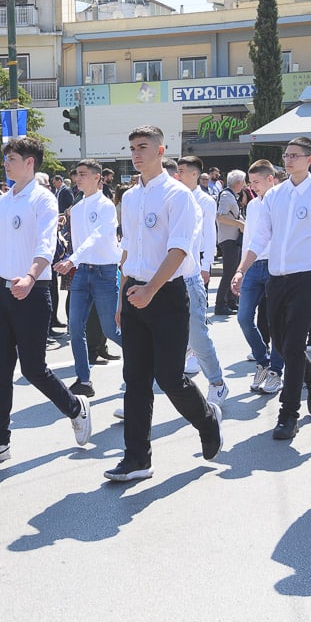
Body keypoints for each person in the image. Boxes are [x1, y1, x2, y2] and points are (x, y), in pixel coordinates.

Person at [0, 136, 91, 467]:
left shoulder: (43, 199)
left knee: (33, 369)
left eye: (12, 159)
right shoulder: (0, 203)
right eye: (6, 159)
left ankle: (75, 407)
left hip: (33, 292)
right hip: (3, 292)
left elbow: (46, 245)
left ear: (30, 163)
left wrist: (31, 277)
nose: (6, 164)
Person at [105, 125, 222, 482]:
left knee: (170, 377)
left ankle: (207, 420)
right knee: (135, 380)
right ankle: (137, 459)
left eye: (143, 147)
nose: (136, 154)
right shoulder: (130, 197)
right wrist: (123, 299)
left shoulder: (178, 195)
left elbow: (179, 250)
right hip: (134, 292)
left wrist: (150, 291)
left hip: (167, 294)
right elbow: (128, 251)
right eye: (132, 148)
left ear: (160, 150)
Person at [231, 136, 311, 442]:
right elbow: (260, 237)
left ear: (310, 159)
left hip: (309, 277)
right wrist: (241, 269)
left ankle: (289, 414)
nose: (288, 160)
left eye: (295, 155)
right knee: (282, 343)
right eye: (286, 155)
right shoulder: (274, 196)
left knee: (294, 342)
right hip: (277, 277)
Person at [55, 159, 122, 396]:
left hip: (104, 272)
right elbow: (77, 242)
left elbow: (98, 236)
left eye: (83, 174)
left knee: (111, 330)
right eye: (77, 174)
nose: (78, 178)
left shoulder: (106, 206)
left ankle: (148, 359)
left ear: (97, 177)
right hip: (83, 271)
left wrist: (72, 259)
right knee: (75, 328)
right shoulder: (76, 208)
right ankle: (83, 380)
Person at [174, 155, 228, 410]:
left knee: (198, 335)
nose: (178, 175)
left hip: (191, 272)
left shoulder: (203, 200)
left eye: (182, 171)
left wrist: (206, 266)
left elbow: (208, 234)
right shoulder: (174, 197)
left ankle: (217, 383)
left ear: (195, 174)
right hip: (170, 276)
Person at [232, 160, 284, 395]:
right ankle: (263, 361)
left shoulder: (282, 201)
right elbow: (249, 239)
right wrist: (240, 270)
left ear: (270, 179)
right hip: (253, 266)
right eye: (250, 182)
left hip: (275, 265)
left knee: (276, 321)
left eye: (256, 182)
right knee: (244, 317)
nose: (252, 186)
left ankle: (276, 370)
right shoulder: (253, 205)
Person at [214, 170, 246, 315]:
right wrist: (239, 223)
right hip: (229, 239)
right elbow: (220, 216)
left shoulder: (231, 195)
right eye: (243, 182)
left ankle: (231, 302)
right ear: (238, 183)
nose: (244, 185)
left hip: (233, 239)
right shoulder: (227, 196)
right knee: (229, 273)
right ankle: (220, 304)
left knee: (233, 272)